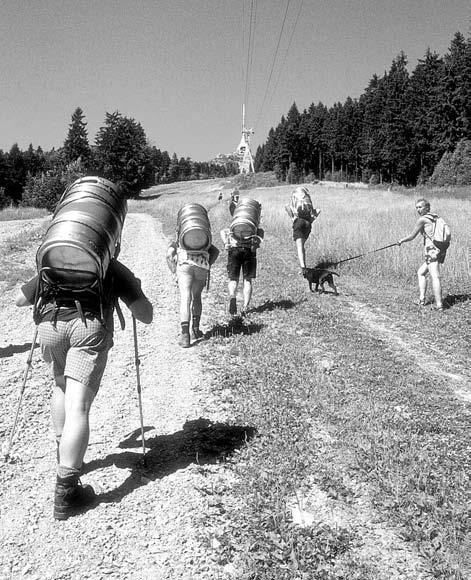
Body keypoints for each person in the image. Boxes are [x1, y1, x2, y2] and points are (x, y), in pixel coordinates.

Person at [16, 259, 153, 520]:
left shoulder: (58, 258)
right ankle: (66, 492)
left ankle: (64, 453)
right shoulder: (108, 265)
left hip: (50, 327)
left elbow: (21, 301)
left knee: (62, 386)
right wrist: (135, 288)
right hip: (88, 329)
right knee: (79, 404)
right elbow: (145, 315)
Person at [166, 239, 219, 348]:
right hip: (201, 265)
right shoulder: (203, 238)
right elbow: (216, 251)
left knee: (185, 297)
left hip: (184, 264)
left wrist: (174, 272)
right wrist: (208, 264)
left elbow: (169, 255)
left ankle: (185, 335)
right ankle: (195, 330)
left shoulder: (180, 239)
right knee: (197, 296)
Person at [397, 198, 448, 310]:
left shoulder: (422, 220)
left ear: (427, 207)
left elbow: (412, 236)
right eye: (417, 207)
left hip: (431, 250)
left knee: (435, 276)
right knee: (421, 272)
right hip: (440, 249)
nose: (418, 210)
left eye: (420, 207)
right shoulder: (435, 217)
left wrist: (401, 241)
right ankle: (422, 299)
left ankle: (439, 305)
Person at [220, 220, 264, 317]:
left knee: (233, 279)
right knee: (247, 280)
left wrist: (225, 243)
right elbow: (261, 234)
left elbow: (222, 232)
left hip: (234, 250)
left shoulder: (235, 226)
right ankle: (245, 307)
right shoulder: (254, 227)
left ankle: (232, 296)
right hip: (249, 252)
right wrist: (256, 244)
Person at [285, 186, 320, 273]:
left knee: (300, 247)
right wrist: (311, 220)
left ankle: (303, 268)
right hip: (308, 224)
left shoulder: (295, 198)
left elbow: (287, 207)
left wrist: (292, 218)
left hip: (298, 222)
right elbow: (318, 210)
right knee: (302, 245)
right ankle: (303, 266)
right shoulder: (307, 200)